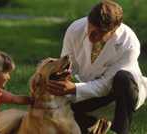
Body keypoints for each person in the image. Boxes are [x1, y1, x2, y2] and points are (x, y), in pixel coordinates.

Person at [47, 0, 147, 134]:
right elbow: (68, 64)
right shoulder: (75, 29)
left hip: (120, 93)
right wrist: (62, 79)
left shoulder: (129, 43)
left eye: (99, 33)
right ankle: (97, 124)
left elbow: (106, 85)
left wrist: (74, 88)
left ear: (114, 29)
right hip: (90, 89)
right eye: (90, 29)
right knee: (68, 117)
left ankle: (121, 131)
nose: (91, 36)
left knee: (123, 80)